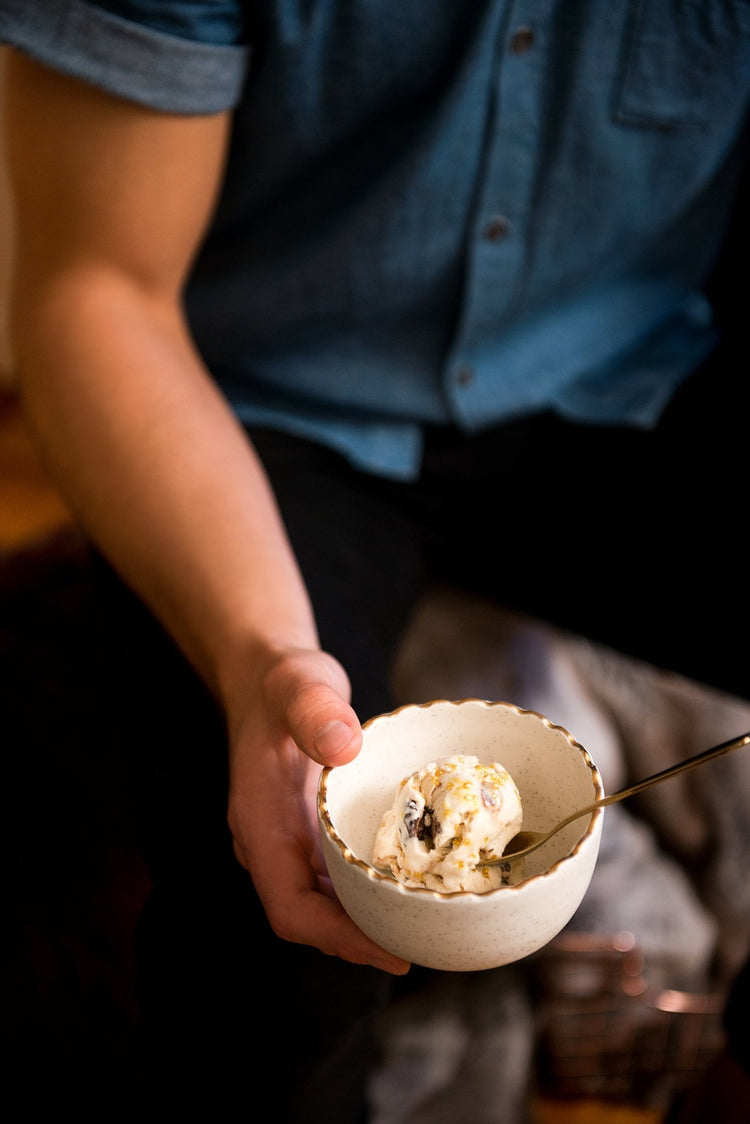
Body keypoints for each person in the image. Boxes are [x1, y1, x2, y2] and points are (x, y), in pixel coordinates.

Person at [1, 2, 748, 1120]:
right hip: (266, 415)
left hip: (632, 376)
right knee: (266, 902)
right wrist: (265, 659)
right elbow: (95, 290)